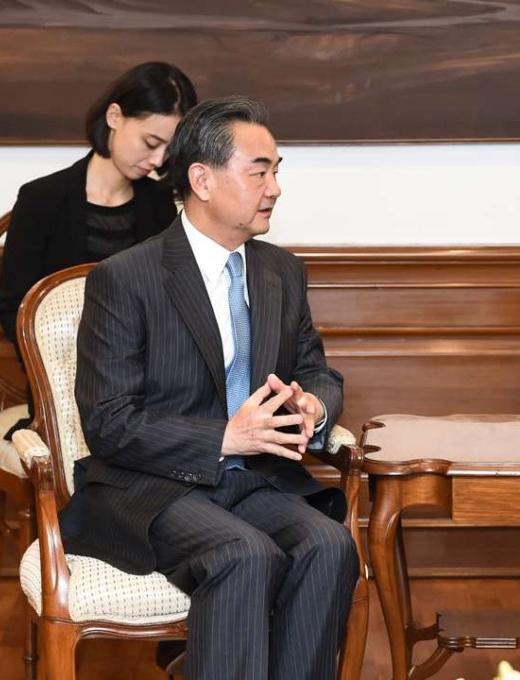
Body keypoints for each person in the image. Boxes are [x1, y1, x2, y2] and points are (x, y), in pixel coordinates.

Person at [61, 96, 358, 680]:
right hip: (152, 486)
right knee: (244, 555)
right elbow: (108, 421)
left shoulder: (280, 271)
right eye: (259, 172)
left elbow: (318, 371)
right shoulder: (126, 278)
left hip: (253, 480)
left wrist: (312, 406)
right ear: (201, 179)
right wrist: (225, 437)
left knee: (330, 545)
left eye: (277, 171)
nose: (275, 188)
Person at [0, 61, 197, 435]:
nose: (158, 161)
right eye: (151, 143)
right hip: (59, 392)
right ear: (115, 116)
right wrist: (65, 366)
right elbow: (13, 308)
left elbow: (168, 306)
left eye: (169, 149)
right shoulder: (43, 199)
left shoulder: (159, 205)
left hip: (144, 396)